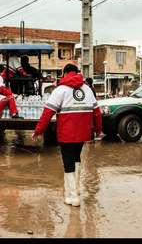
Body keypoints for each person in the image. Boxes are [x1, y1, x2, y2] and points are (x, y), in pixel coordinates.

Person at [32, 64, 102, 207]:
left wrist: (38, 130)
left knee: (68, 162)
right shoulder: (87, 89)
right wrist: (98, 130)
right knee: (76, 158)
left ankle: (72, 196)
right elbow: (97, 112)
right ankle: (76, 189)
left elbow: (47, 113)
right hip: (83, 133)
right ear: (77, 73)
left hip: (67, 133)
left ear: (64, 74)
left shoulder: (60, 90)